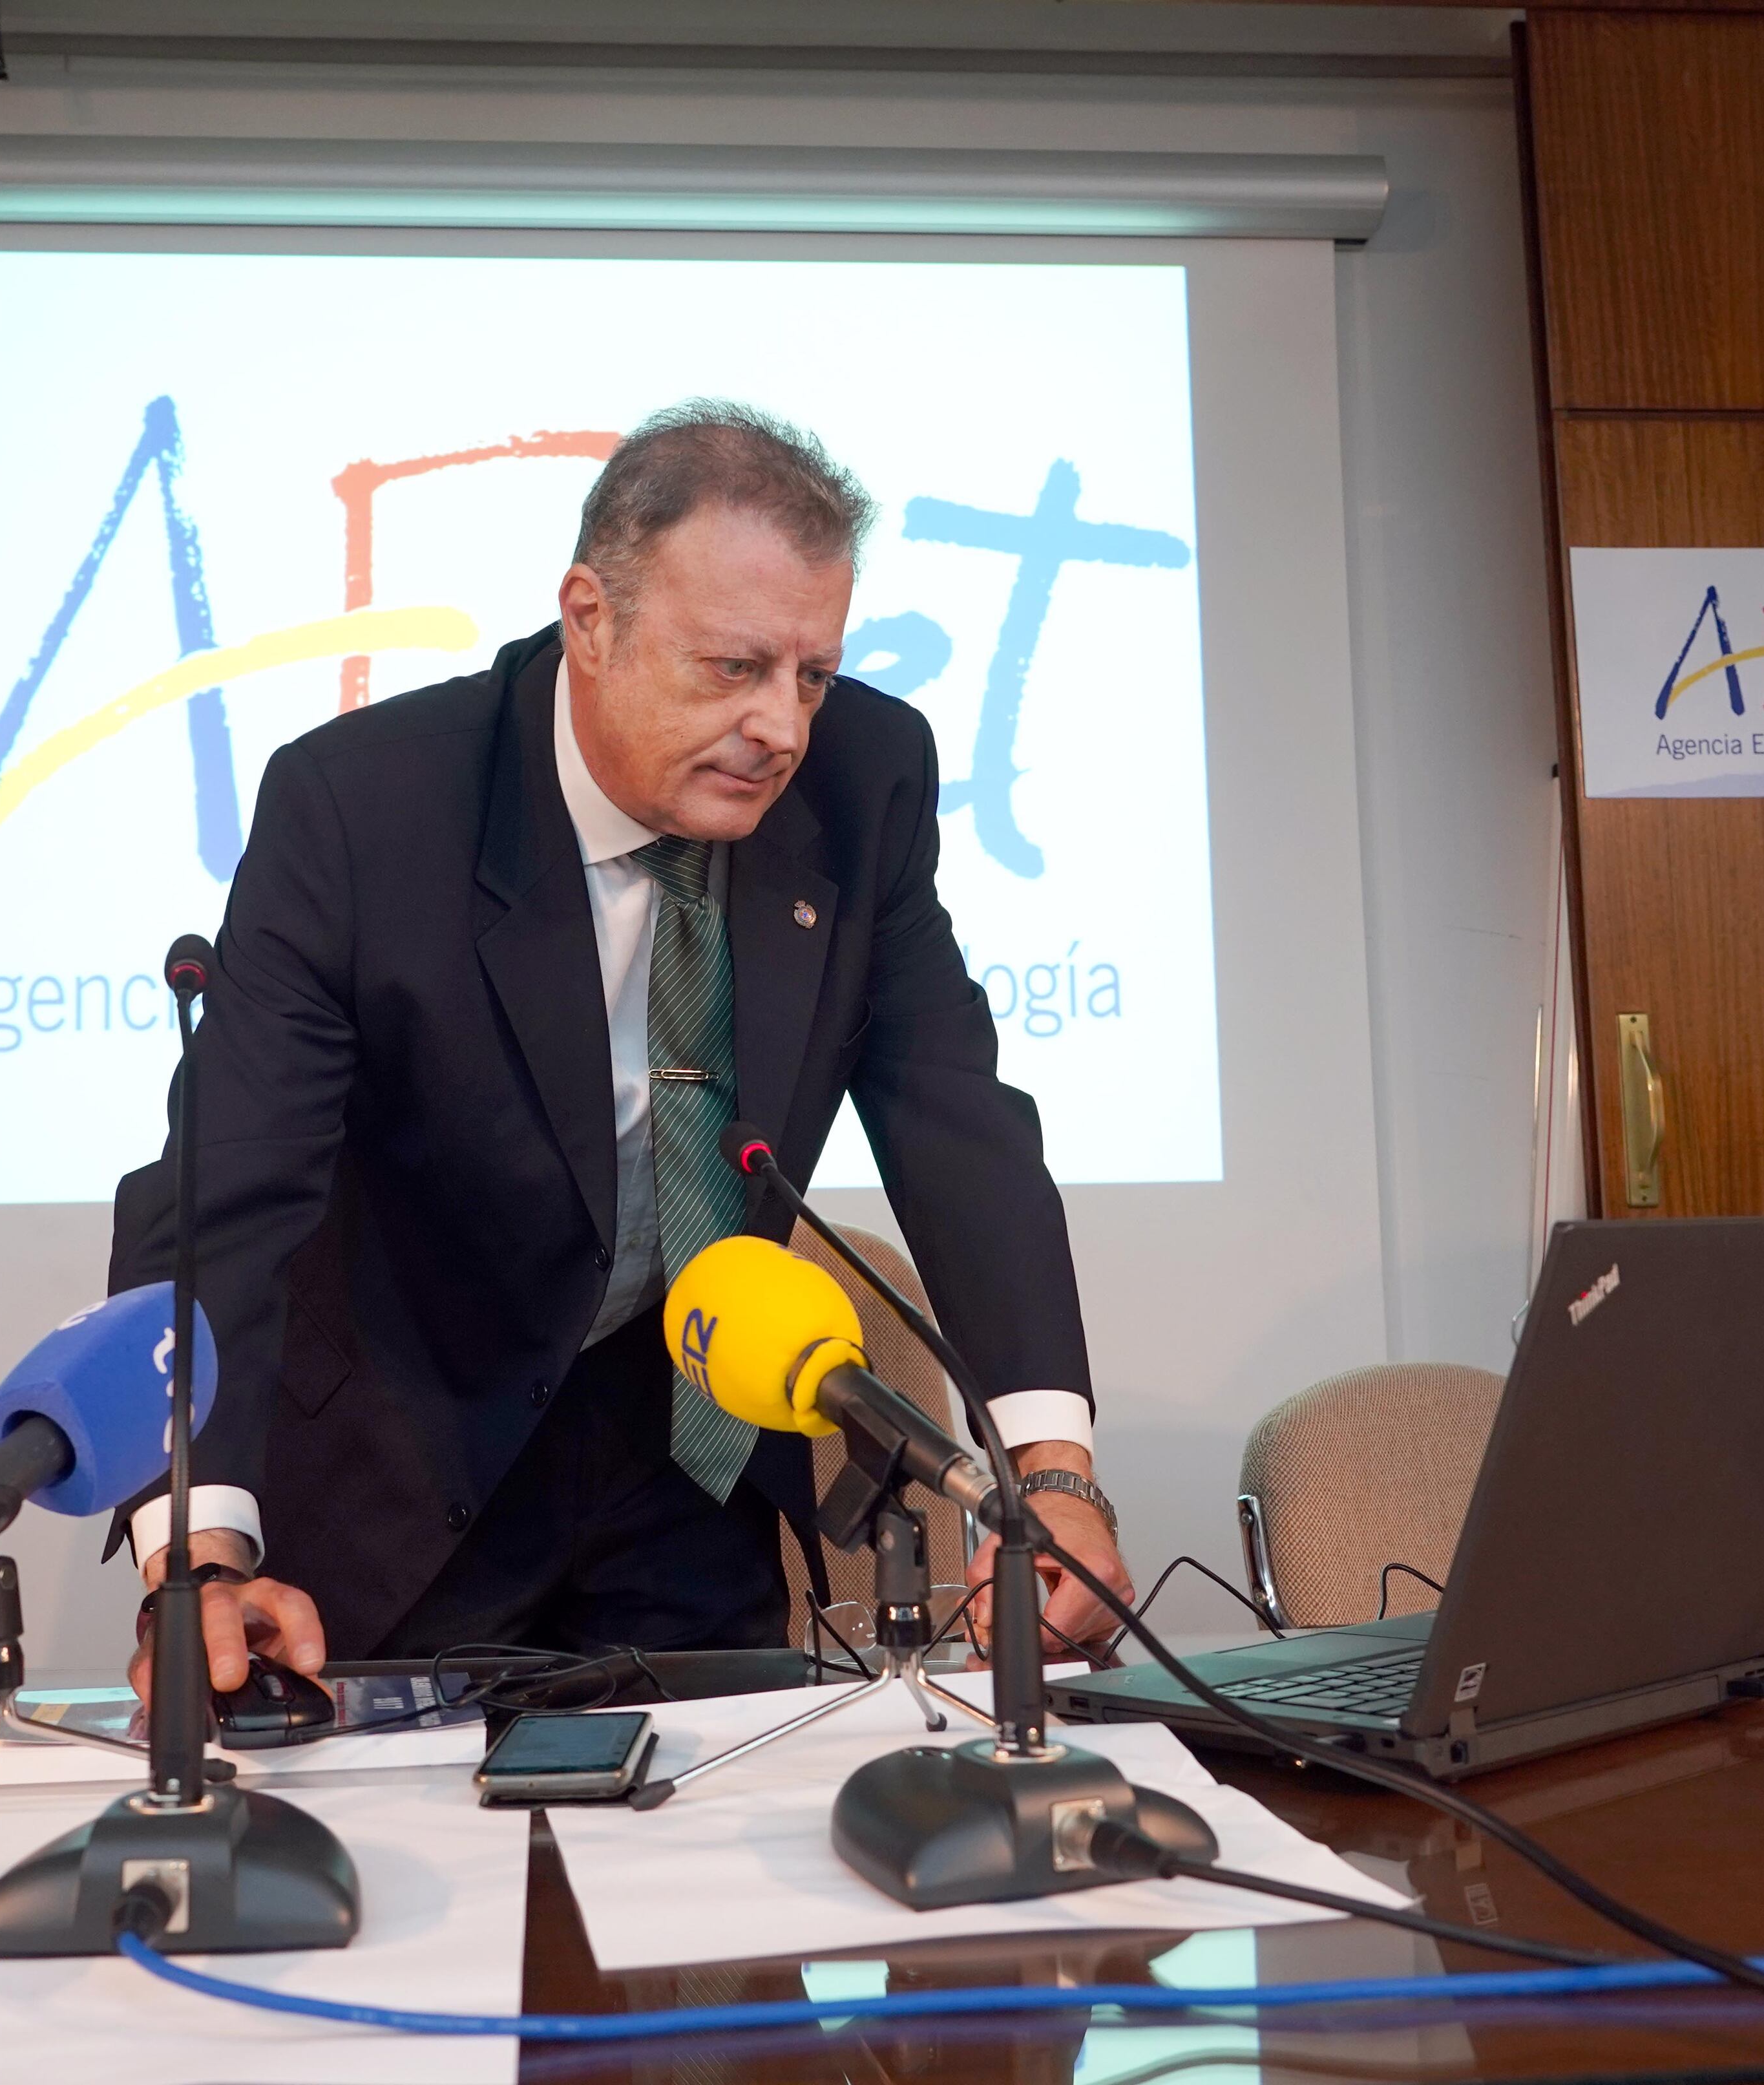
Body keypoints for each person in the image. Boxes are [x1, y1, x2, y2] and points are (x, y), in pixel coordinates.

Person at [110, 401, 1131, 1706]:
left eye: (811, 674)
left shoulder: (866, 782)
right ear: (589, 618)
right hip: (404, 1457)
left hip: (685, 1465)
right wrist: (196, 1543)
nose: (785, 726)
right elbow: (223, 1200)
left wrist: (1051, 1469)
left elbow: (956, 1121)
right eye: (734, 668)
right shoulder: (366, 809)